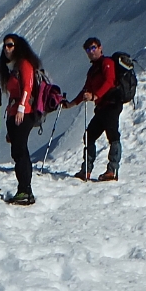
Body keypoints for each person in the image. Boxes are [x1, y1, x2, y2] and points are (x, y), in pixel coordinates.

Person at [62, 37, 122, 182]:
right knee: (89, 136)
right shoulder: (93, 70)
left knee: (112, 135)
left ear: (100, 48)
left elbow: (109, 82)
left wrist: (95, 95)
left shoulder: (107, 63)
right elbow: (86, 89)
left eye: (93, 48)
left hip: (112, 104)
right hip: (102, 107)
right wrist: (71, 104)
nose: (91, 52)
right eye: (88, 50)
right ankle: (87, 170)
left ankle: (112, 170)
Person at [0, 34, 41, 205]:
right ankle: (24, 189)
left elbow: (28, 87)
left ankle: (25, 190)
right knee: (19, 151)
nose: (6, 49)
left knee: (20, 150)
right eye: (5, 46)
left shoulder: (24, 63)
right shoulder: (12, 68)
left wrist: (22, 107)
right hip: (14, 113)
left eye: (10, 45)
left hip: (24, 113)